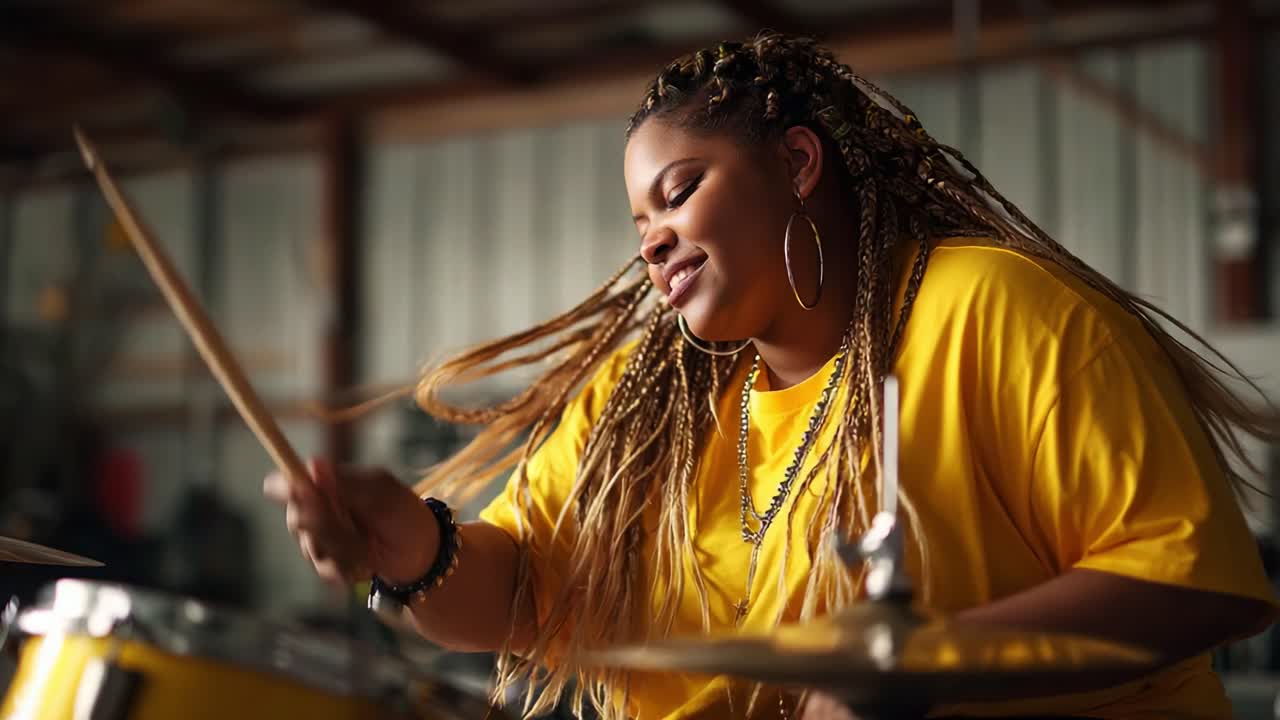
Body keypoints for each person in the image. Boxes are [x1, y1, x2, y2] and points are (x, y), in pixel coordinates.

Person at [263, 33, 1279, 719]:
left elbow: (1191, 583)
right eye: (638, 224)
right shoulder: (641, 404)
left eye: (679, 191)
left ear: (797, 163)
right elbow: (521, 594)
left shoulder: (989, 310)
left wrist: (920, 663)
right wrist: (400, 544)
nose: (654, 239)